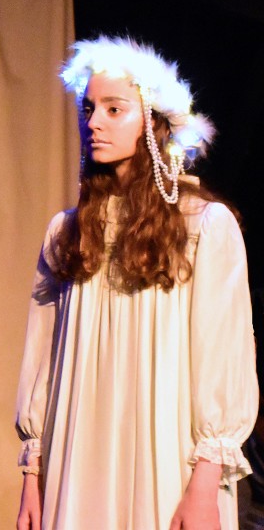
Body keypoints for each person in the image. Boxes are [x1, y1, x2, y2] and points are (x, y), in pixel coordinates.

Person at [14, 36, 258, 530]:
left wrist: (205, 485)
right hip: (76, 457)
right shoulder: (68, 232)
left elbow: (222, 357)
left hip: (166, 463)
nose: (93, 122)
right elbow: (44, 361)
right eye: (89, 109)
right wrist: (32, 477)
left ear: (154, 122)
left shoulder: (205, 227)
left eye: (114, 109)